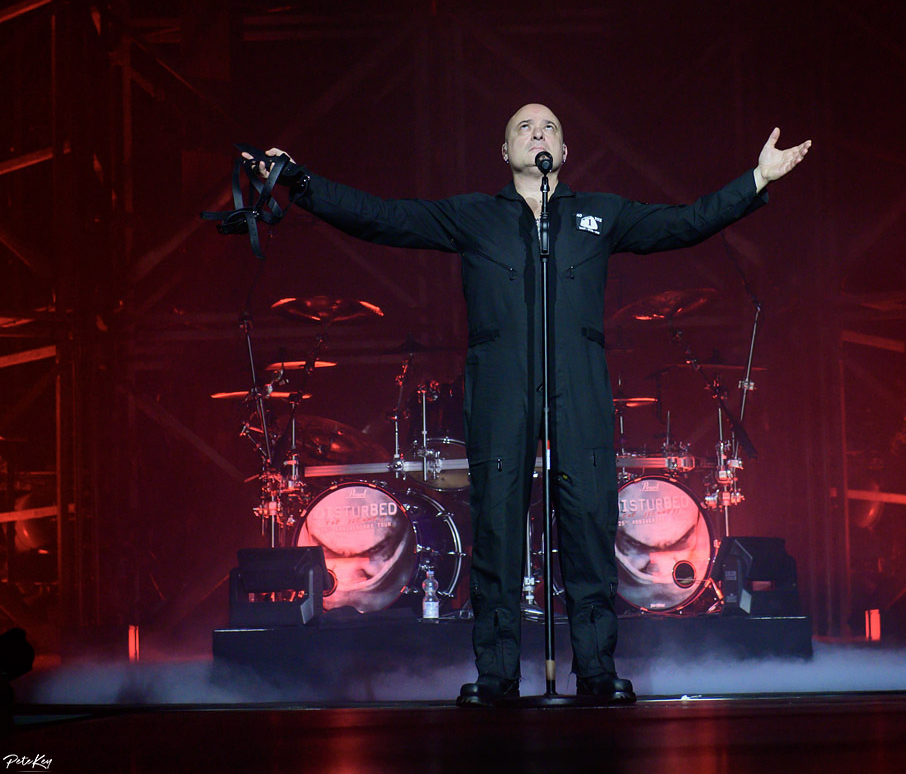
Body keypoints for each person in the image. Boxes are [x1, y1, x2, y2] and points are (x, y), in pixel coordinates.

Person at [249, 104, 810, 706]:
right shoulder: (475, 214)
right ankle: (496, 675)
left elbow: (685, 223)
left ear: (563, 153)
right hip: (501, 384)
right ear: (505, 151)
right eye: (524, 126)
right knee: (496, 526)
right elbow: (382, 217)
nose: (537, 132)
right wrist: (298, 181)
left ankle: (596, 670)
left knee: (590, 521)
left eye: (549, 128)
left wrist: (757, 178)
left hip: (579, 383)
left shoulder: (600, 213)